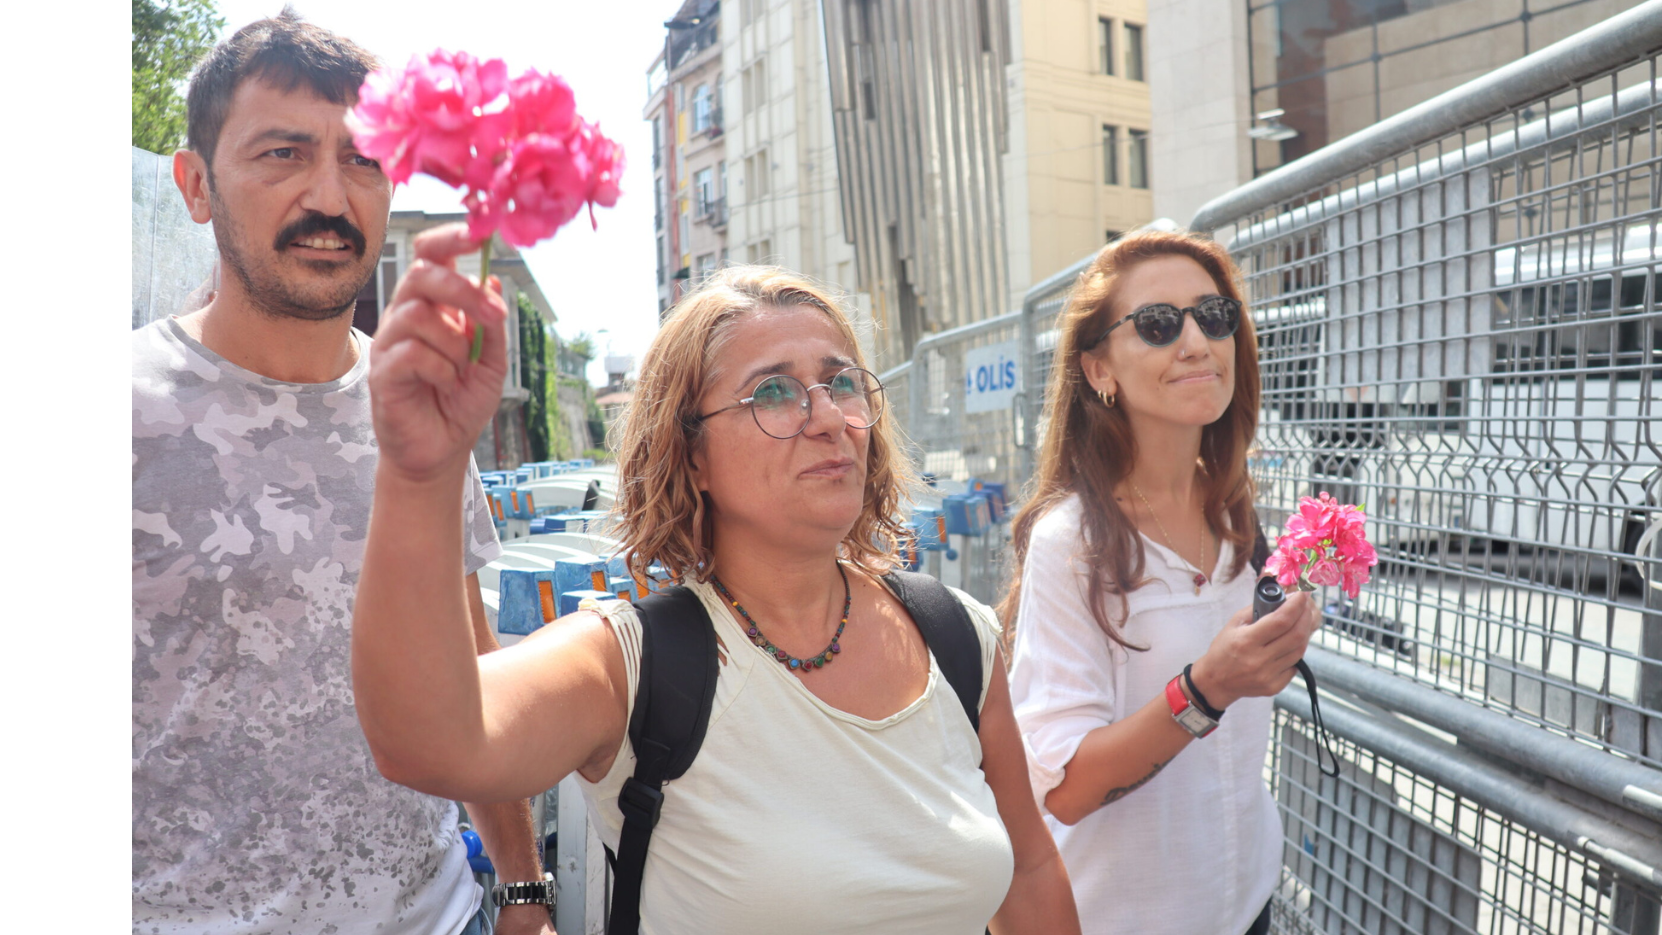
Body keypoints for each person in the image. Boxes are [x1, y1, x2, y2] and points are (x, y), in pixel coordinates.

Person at [349, 261, 1082, 934]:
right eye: (774, 392)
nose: (827, 417)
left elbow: (1032, 870)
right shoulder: (630, 661)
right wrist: (423, 472)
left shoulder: (956, 635)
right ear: (692, 453)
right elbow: (428, 740)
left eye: (843, 383)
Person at [131, 13, 553, 935]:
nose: (332, 194)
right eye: (282, 154)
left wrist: (522, 890)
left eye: (364, 160)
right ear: (196, 185)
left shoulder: (422, 406)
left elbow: (471, 669)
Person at [1000, 231, 1322, 935]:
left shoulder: (1236, 510)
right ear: (1099, 367)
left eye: (1214, 316)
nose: (1196, 341)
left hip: (1246, 901)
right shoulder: (1073, 540)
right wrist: (1205, 688)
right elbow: (1067, 787)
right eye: (1157, 323)